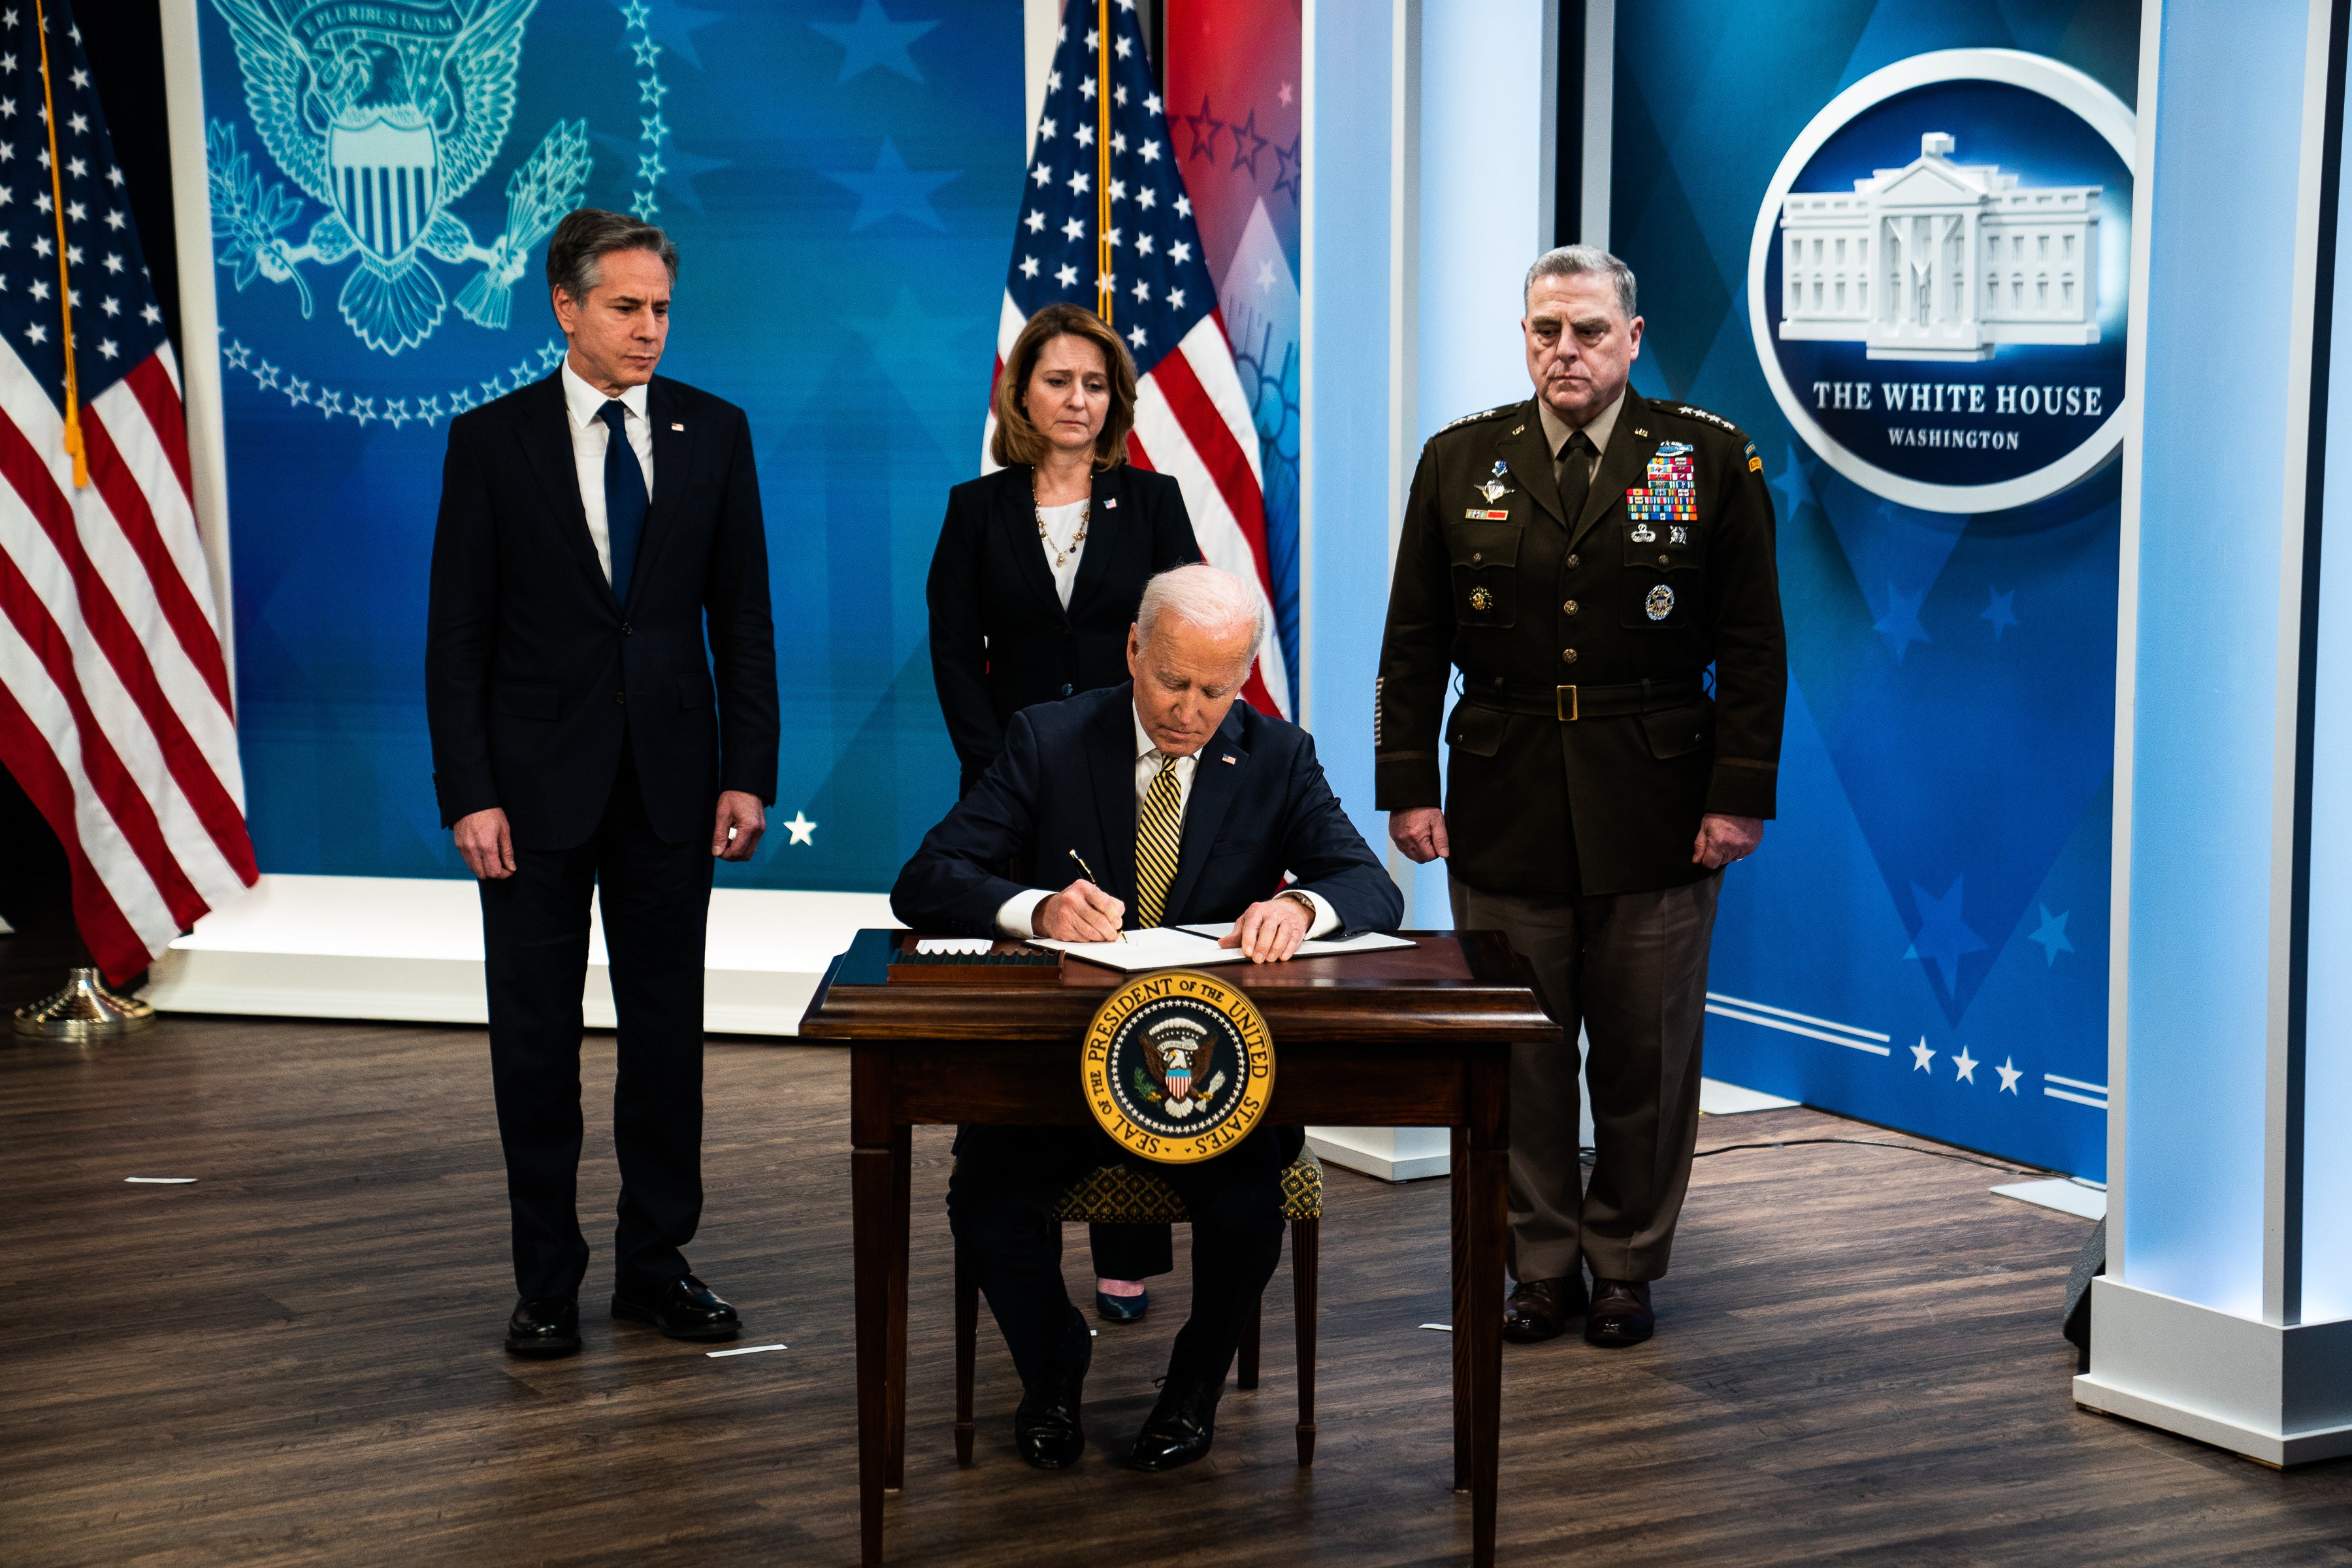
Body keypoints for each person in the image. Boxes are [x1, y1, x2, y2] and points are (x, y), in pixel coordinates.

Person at [892, 564, 1403, 1471]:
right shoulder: (1049, 738)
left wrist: (1304, 908)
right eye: (1172, 681)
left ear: (1242, 680)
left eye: (1216, 689)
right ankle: (1054, 1362)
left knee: (1251, 1202)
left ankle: (1194, 1382)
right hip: (1061, 1065)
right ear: (1133, 650)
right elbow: (927, 879)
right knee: (984, 1196)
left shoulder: (1278, 756)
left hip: (1206, 1076)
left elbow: (1369, 885)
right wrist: (1037, 908)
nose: (1189, 711)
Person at [1374, 245, 1786, 1350]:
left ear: (1632, 339)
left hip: (1657, 803)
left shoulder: (1708, 460)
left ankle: (1627, 1267)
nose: (1567, 350)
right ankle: (1541, 1264)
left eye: (1590, 331)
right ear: (1525, 337)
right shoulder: (1460, 463)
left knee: (1647, 1058)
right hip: (1501, 797)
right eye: (1547, 330)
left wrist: (1738, 796)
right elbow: (1413, 641)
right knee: (1524, 1052)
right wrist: (1408, 783)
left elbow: (1753, 648)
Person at [425, 209, 779, 1358]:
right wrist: (469, 791)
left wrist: (750, 772)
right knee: (534, 1042)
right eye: (625, 307)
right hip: (528, 797)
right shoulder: (490, 442)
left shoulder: (715, 432)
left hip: (676, 786)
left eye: (661, 308)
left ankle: (655, 1263)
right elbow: (456, 639)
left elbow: (747, 620)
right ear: (566, 307)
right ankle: (546, 1279)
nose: (648, 329)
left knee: (666, 1038)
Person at [927, 301, 1201, 1324]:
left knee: (1134, 1003)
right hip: (1012, 786)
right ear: (1023, 396)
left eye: (1095, 384)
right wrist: (996, 767)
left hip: (1137, 784)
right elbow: (956, 655)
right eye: (1058, 382)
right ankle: (1023, 1225)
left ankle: (1129, 1248)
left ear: (1114, 400)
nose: (1077, 400)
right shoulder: (975, 509)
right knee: (1034, 1014)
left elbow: (1182, 633)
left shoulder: (1155, 502)